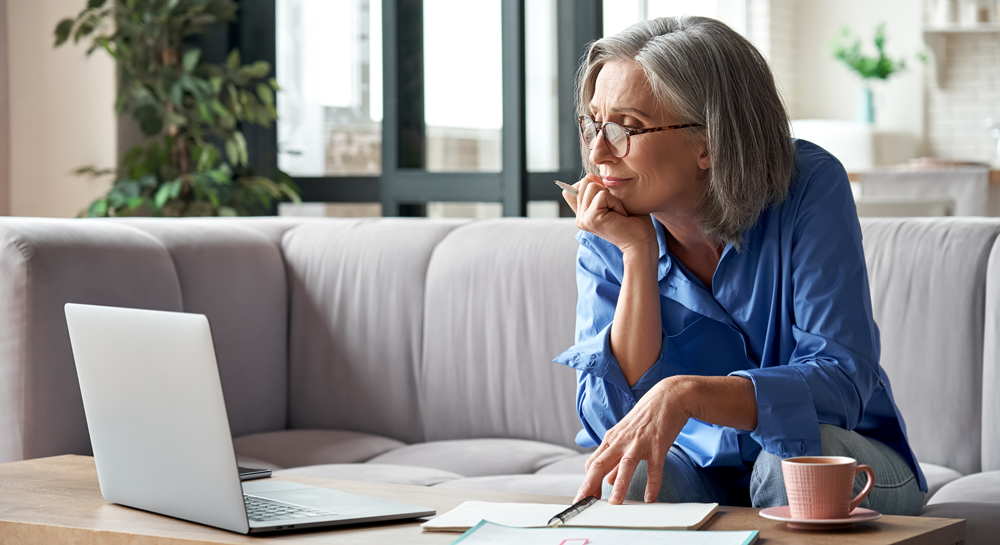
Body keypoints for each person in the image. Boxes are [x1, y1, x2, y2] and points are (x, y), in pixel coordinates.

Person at [553, 15, 926, 515]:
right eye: (593, 124)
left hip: (843, 456)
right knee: (633, 473)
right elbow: (613, 421)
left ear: (709, 142)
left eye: (627, 128)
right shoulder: (611, 221)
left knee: (788, 463)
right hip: (699, 468)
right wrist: (637, 255)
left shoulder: (809, 186)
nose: (599, 152)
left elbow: (841, 381)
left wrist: (688, 395)